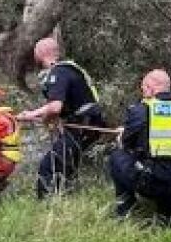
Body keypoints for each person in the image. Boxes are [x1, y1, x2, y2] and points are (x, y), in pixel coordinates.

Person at [107, 69, 171, 225]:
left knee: (116, 156)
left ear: (150, 88)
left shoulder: (141, 110)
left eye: (143, 89)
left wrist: (122, 133)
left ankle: (125, 208)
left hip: (150, 182)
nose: (142, 93)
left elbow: (126, 144)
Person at [15, 37, 107, 198]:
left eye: (35, 52)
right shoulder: (69, 69)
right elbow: (62, 108)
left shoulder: (58, 72)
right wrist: (44, 119)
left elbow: (56, 106)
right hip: (86, 124)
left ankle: (45, 205)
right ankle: (65, 199)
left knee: (48, 167)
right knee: (65, 166)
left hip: (82, 125)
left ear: (40, 53)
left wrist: (31, 114)